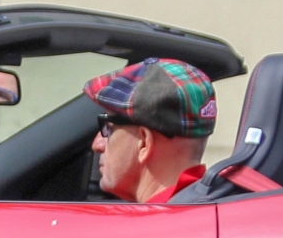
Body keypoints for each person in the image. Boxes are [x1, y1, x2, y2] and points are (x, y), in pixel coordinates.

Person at [84, 58, 219, 204]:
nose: (97, 144)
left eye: (108, 128)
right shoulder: (217, 206)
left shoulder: (159, 223)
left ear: (144, 143)